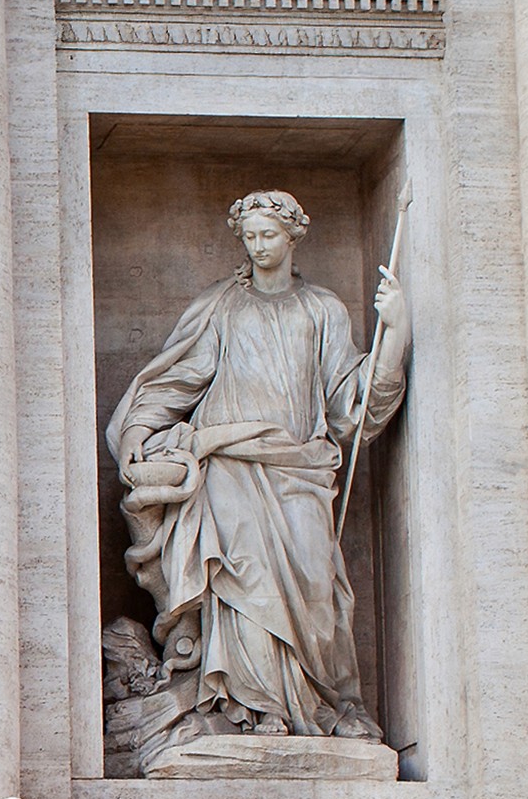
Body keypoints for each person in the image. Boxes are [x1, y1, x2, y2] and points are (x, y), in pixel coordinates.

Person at [107, 187, 404, 755]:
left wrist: (396, 336)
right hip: (229, 467)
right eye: (250, 237)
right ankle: (250, 706)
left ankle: (317, 704)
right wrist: (141, 433)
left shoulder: (323, 310)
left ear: (293, 236)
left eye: (269, 235)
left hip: (299, 466)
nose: (259, 246)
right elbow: (177, 381)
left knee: (317, 583)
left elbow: (353, 405)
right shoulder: (222, 306)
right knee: (241, 582)